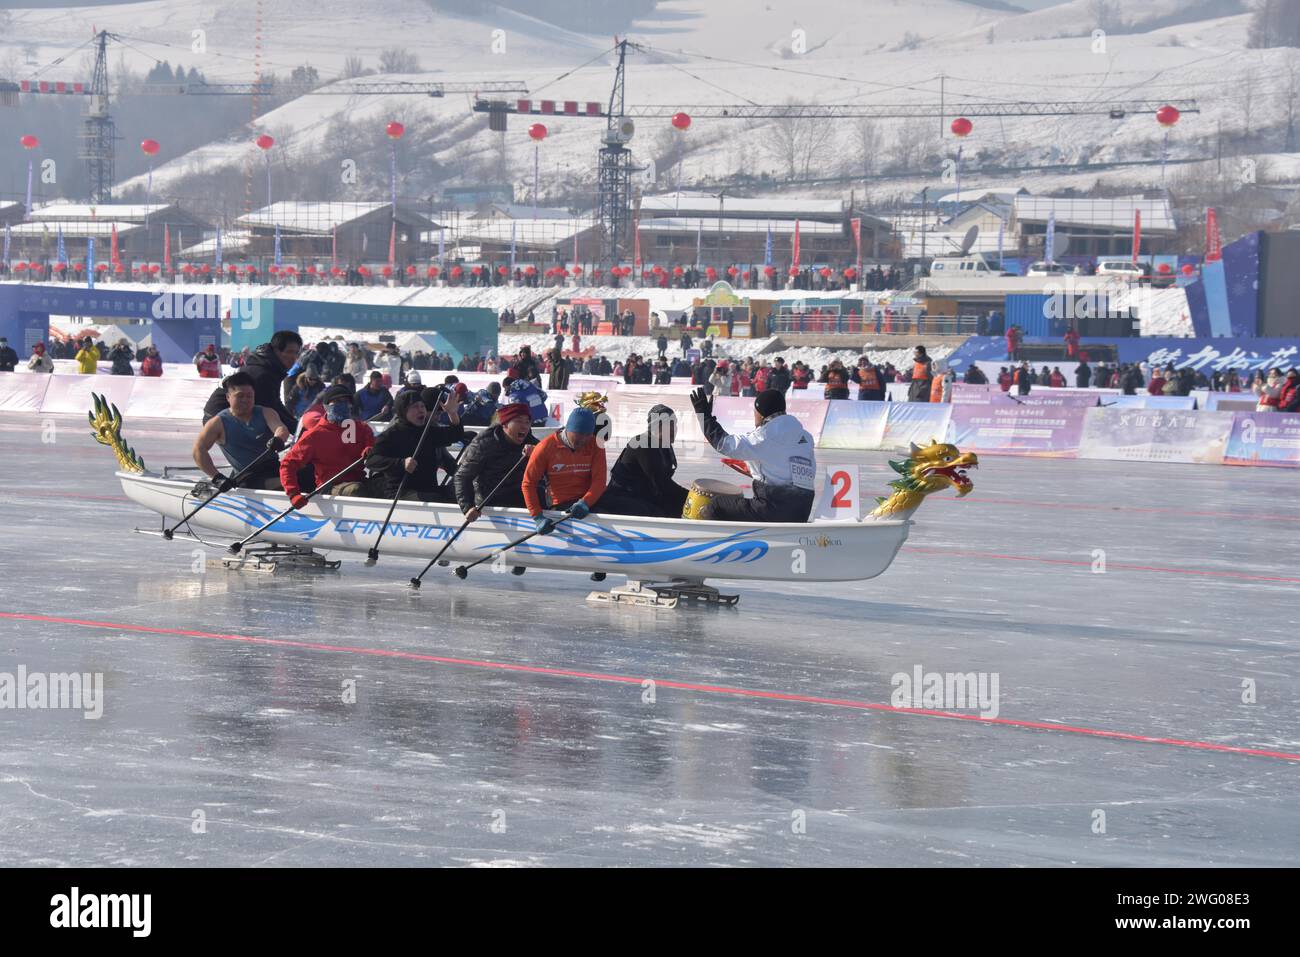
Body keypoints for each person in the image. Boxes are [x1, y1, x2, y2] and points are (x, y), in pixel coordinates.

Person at [689, 387, 816, 522]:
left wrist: (704, 416)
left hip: (774, 509)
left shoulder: (765, 435)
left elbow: (723, 443)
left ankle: (712, 540)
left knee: (717, 505)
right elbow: (788, 469)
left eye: (754, 411)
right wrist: (754, 470)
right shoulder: (806, 436)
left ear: (761, 414)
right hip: (802, 511)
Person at [279, 384, 376, 507]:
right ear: (326, 406)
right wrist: (293, 493)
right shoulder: (314, 435)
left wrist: (370, 449)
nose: (343, 405)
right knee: (356, 489)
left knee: (385, 485)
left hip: (360, 480)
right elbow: (288, 464)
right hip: (329, 487)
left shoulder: (361, 428)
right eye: (337, 402)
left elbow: (372, 444)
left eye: (346, 402)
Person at [192, 371, 291, 490]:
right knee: (290, 482)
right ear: (228, 397)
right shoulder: (217, 423)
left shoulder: (266, 413)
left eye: (249, 396)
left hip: (274, 469)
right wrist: (217, 477)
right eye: (240, 396)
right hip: (248, 479)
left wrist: (278, 438)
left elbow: (281, 429)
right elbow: (198, 450)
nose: (245, 400)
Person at [365, 388, 465, 501]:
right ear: (403, 411)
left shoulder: (429, 431)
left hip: (428, 489)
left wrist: (452, 413)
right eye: (415, 407)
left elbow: (456, 434)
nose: (421, 410)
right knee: (437, 499)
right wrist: (401, 463)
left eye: (422, 406)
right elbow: (371, 460)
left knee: (460, 493)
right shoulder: (391, 435)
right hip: (402, 492)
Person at [521, 408, 607, 533]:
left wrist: (586, 502)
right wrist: (537, 517)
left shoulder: (596, 444)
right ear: (568, 429)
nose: (583, 440)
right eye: (578, 435)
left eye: (587, 435)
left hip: (588, 502)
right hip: (561, 505)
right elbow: (528, 484)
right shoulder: (545, 447)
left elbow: (599, 481)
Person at [599, 405, 690, 518]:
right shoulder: (642, 443)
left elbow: (664, 484)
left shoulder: (665, 446)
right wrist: (691, 497)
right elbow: (662, 484)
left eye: (675, 424)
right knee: (663, 511)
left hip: (642, 494)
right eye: (670, 424)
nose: (674, 428)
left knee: (677, 505)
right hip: (622, 496)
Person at [203, 330, 303, 431]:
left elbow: (275, 403)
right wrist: (299, 430)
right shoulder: (263, 374)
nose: (294, 357)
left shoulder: (269, 368)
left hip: (222, 416)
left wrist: (298, 426)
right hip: (217, 419)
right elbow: (271, 408)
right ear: (276, 351)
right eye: (289, 352)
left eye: (296, 353)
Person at [455, 402, 539, 519]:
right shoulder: (484, 443)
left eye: (527, 422)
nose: (524, 426)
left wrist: (538, 453)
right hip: (489, 502)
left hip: (520, 499)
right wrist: (468, 507)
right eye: (519, 421)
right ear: (504, 424)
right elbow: (462, 477)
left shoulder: (533, 443)